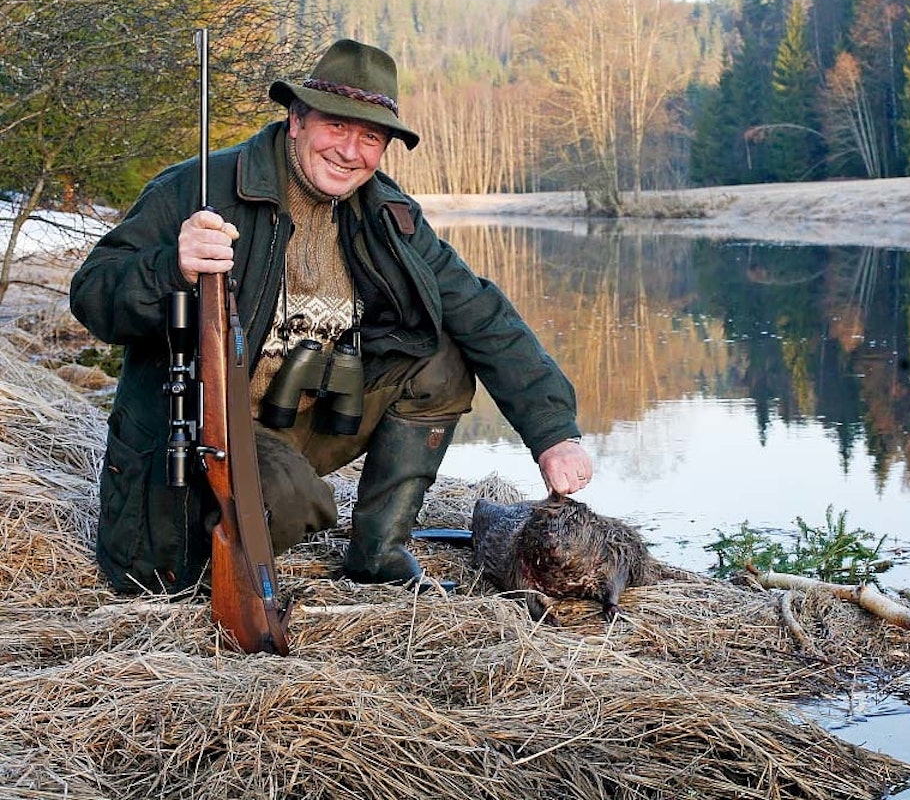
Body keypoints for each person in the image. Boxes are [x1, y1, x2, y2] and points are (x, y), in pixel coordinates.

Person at [70, 39, 594, 593]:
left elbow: (482, 313)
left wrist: (553, 431)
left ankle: (379, 554)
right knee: (294, 506)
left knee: (440, 356)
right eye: (336, 127)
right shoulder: (198, 189)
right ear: (296, 120)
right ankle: (241, 523)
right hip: (210, 430)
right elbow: (92, 296)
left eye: (371, 136)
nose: (350, 151)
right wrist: (170, 267)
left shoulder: (389, 215)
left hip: (309, 421)